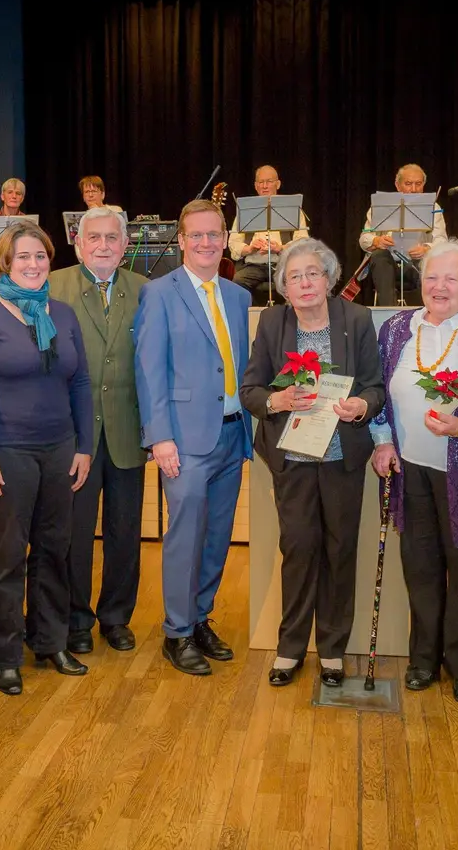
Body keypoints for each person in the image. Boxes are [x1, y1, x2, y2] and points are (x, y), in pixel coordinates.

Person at [367, 243, 458, 701]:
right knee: (421, 565)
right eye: (432, 277)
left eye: (451, 279)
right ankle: (423, 658)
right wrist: (383, 440)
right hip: (410, 468)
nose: (440, 287)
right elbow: (377, 391)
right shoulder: (397, 328)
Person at [0, 221, 94, 694]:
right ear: (5, 264)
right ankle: (5, 654)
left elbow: (80, 382)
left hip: (60, 449)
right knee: (8, 554)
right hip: (6, 450)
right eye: (23, 257)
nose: (33, 265)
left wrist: (84, 446)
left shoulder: (62, 314)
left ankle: (50, 641)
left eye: (40, 256)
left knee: (55, 549)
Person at [239, 239, 384, 687]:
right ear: (284, 287)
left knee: (340, 551)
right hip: (294, 459)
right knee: (299, 549)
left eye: (312, 274)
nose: (304, 283)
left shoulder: (356, 319)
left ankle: (333, 650)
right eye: (294, 277)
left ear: (329, 279)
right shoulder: (272, 322)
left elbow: (375, 387)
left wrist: (361, 406)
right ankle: (290, 647)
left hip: (342, 458)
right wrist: (277, 400)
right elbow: (250, 391)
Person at [134, 199, 253, 676]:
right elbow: (149, 370)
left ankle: (201, 617)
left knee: (218, 536)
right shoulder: (159, 293)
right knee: (185, 537)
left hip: (232, 434)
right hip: (183, 440)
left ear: (225, 239)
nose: (206, 242)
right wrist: (160, 437)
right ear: (181, 240)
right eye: (196, 235)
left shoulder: (239, 296)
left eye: (214, 234)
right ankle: (177, 631)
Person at [48, 206, 150, 655]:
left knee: (125, 532)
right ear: (78, 243)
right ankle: (75, 619)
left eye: (112, 238)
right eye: (94, 238)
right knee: (73, 532)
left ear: (125, 245)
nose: (103, 246)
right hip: (73, 436)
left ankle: (116, 617)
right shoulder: (52, 286)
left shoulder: (146, 291)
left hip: (128, 430)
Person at [355, 164, 448, 307]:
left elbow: (442, 240)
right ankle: (389, 313)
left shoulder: (433, 208)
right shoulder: (380, 206)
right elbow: (364, 239)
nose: (414, 189)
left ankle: (428, 313)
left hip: (417, 263)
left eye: (418, 184)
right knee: (379, 256)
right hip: (388, 263)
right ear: (397, 185)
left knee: (429, 263)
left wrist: (427, 249)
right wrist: (377, 240)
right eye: (408, 184)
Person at [229, 165, 310, 307]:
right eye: (261, 182)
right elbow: (233, 243)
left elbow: (302, 241)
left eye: (269, 182)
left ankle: (290, 317)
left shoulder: (293, 209)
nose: (264, 186)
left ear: (278, 184)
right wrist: (249, 248)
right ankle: (253, 316)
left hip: (283, 264)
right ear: (256, 186)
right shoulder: (245, 210)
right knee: (237, 283)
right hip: (254, 265)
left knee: (297, 282)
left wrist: (281, 248)